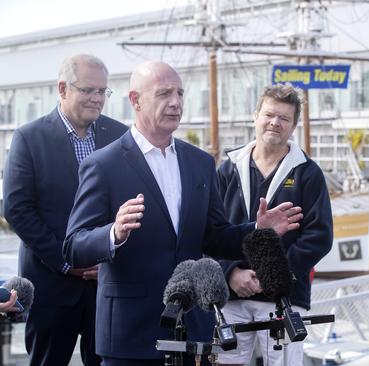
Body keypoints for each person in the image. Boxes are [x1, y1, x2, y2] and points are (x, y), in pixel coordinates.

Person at [63, 61, 303, 366]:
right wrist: (114, 232)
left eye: (180, 93)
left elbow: (214, 236)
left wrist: (257, 228)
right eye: (164, 93)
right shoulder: (103, 165)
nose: (176, 102)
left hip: (194, 331)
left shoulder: (200, 162)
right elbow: (73, 246)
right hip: (131, 333)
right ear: (135, 100)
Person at [3, 54, 128, 366]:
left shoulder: (120, 135)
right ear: (62, 89)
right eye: (88, 90)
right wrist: (65, 261)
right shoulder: (29, 137)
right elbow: (17, 209)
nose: (97, 99)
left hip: (106, 282)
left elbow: (129, 199)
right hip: (50, 285)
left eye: (102, 91)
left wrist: (110, 255)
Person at [215, 84, 333, 366]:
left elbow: (319, 237)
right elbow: (210, 231)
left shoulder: (307, 172)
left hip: (285, 299)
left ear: (293, 126)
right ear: (256, 115)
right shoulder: (228, 168)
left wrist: (272, 275)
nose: (275, 123)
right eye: (269, 114)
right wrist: (230, 273)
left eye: (284, 118)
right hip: (232, 294)